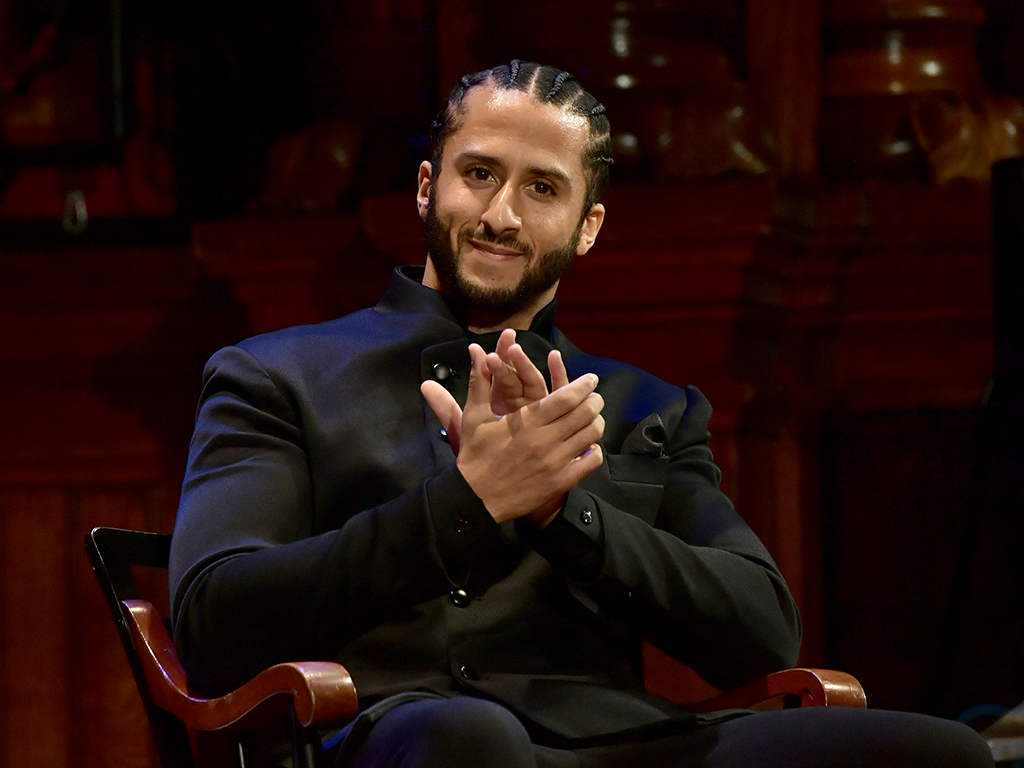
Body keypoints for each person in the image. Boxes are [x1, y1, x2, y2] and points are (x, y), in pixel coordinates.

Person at [169, 60, 994, 767]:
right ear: (428, 186)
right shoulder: (277, 375)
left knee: (940, 754)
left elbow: (764, 631)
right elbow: (214, 619)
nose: (500, 215)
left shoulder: (645, 407)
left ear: (588, 226)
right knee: (469, 739)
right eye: (479, 174)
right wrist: (466, 506)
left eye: (542, 189)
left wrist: (565, 511)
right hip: (391, 734)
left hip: (615, 740)